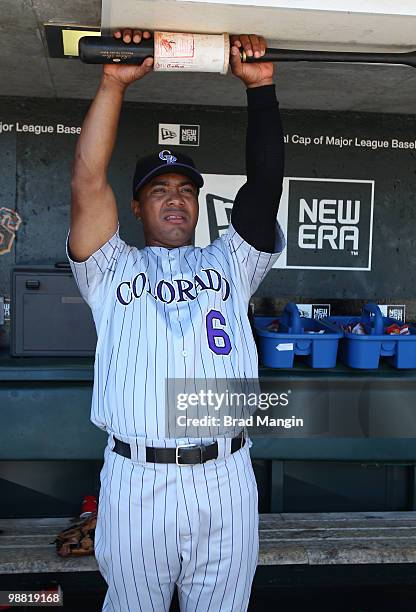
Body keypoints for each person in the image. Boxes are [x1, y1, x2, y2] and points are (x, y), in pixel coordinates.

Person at [67, 28, 285, 612]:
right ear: (136, 206)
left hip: (226, 475)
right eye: (158, 189)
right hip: (137, 480)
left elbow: (264, 189)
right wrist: (113, 82)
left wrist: (260, 90)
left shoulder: (232, 263)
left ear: (197, 201)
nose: (174, 199)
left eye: (186, 189)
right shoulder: (110, 268)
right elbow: (88, 183)